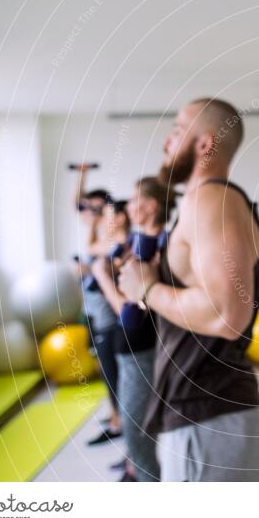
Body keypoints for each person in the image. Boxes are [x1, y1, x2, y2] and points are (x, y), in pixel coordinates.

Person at [118, 98, 259, 482]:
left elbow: (226, 314)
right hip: (205, 411)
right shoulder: (202, 203)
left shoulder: (211, 199)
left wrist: (148, 288)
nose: (166, 141)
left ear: (204, 144)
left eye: (176, 129)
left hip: (206, 411)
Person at [92, 177, 172, 482]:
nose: (128, 206)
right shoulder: (138, 246)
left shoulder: (160, 247)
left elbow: (132, 314)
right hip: (130, 348)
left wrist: (103, 277)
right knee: (132, 425)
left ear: (151, 206)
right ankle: (136, 471)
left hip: (142, 348)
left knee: (135, 428)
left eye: (135, 200)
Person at [72, 166, 129, 445]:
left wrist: (89, 270)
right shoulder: (98, 236)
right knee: (107, 370)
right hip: (94, 312)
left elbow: (100, 255)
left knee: (112, 370)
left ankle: (120, 421)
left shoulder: (114, 240)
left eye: (99, 209)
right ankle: (116, 416)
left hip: (109, 316)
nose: (90, 213)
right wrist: (81, 177)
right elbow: (78, 205)